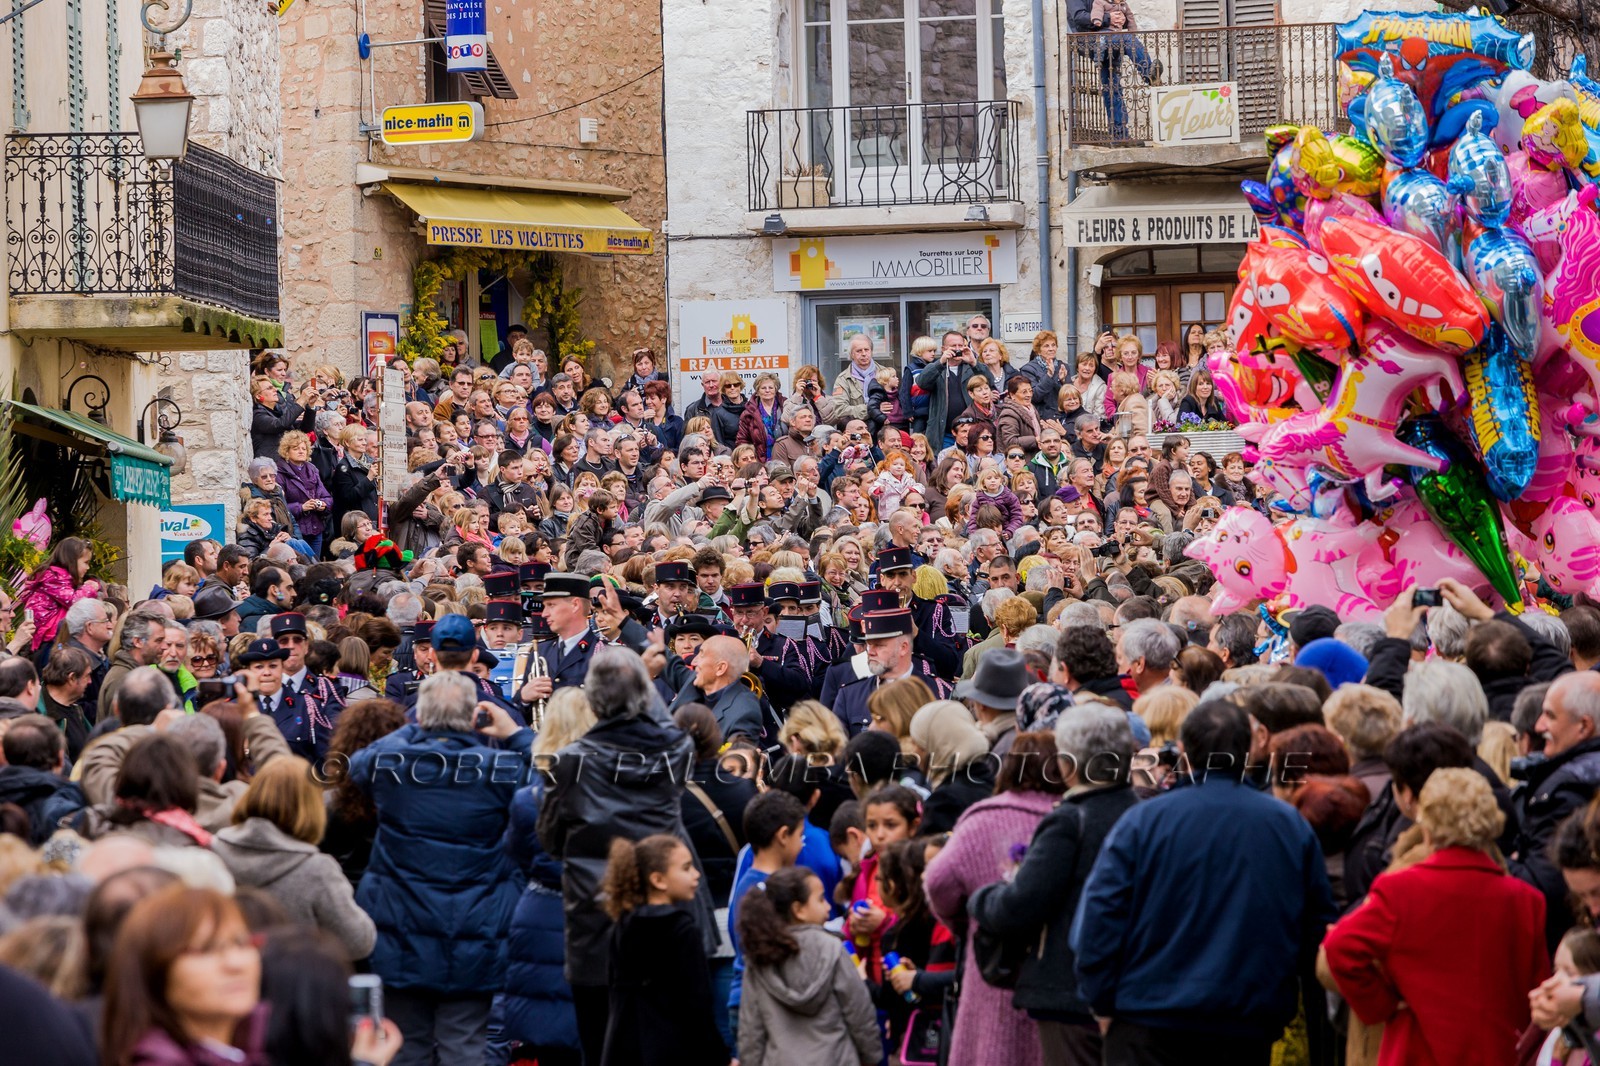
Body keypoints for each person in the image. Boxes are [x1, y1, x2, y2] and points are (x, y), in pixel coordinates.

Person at [1072, 699, 1336, 1064]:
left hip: (1150, 1018)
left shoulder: (1143, 821)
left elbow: (1099, 918)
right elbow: (1316, 927)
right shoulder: (1288, 826)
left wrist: (1101, 1000)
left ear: (1183, 751)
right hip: (1244, 1019)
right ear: (1248, 751)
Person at [537, 645, 715, 1066]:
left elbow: (550, 840)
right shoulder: (675, 751)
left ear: (592, 700)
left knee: (602, 1045)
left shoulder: (567, 763)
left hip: (596, 917)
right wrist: (644, 682)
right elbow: (667, 726)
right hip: (667, 916)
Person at [348, 672, 532, 1065]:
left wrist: (416, 727)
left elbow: (359, 762)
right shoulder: (500, 767)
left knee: (406, 1044)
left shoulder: (390, 762)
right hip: (477, 925)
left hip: (402, 925)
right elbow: (552, 782)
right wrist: (516, 734)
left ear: (419, 715)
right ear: (472, 716)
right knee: (465, 1042)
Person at [1321, 769, 1548, 1066]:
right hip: (1498, 1051)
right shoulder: (1525, 900)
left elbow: (1339, 947)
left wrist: (1382, 1005)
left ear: (1426, 825)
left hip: (1418, 1049)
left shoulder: (1400, 890)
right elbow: (1536, 990)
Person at [968, 705, 1140, 1065]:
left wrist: (982, 898)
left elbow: (1021, 904)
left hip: (1068, 987)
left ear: (1069, 764)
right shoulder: (1143, 813)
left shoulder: (1070, 820)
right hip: (1133, 987)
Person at [925, 732, 1067, 1066]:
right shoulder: (1071, 817)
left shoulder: (981, 818)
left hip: (989, 964)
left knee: (992, 1046)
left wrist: (964, 921)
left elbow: (938, 882)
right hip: (1054, 969)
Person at [210, 757, 376, 961]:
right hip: (295, 977)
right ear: (311, 806)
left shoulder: (213, 851)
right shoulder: (317, 870)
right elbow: (359, 942)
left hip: (227, 970)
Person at [597, 834, 729, 1066]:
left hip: (625, 1046)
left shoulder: (623, 925)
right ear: (658, 880)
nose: (696, 874)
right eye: (686, 868)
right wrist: (720, 1057)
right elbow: (697, 1004)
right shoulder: (682, 929)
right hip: (673, 1049)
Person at [101, 885, 270, 1066]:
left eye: (242, 943)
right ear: (155, 970)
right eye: (206, 949)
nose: (235, 964)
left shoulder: (242, 1052)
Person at [735, 865, 880, 1066]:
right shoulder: (833, 949)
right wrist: (871, 1056)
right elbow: (859, 1012)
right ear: (799, 910)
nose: (828, 906)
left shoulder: (760, 958)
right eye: (821, 899)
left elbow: (751, 1029)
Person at [17, 536, 101, 652]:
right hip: (49, 635)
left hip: (51, 633)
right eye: (86, 562)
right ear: (72, 560)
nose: (88, 567)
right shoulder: (54, 577)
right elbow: (73, 601)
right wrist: (90, 587)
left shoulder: (60, 577)